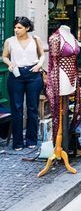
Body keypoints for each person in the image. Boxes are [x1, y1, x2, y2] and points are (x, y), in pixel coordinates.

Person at [2, 17, 45, 150]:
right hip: (16, 75)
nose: (16, 30)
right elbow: (4, 56)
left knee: (32, 108)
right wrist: (9, 63)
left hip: (33, 74)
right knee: (17, 108)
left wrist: (39, 65)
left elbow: (42, 55)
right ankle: (18, 142)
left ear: (27, 28)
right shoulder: (9, 41)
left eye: (19, 27)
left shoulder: (35, 39)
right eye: (15, 27)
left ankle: (31, 140)